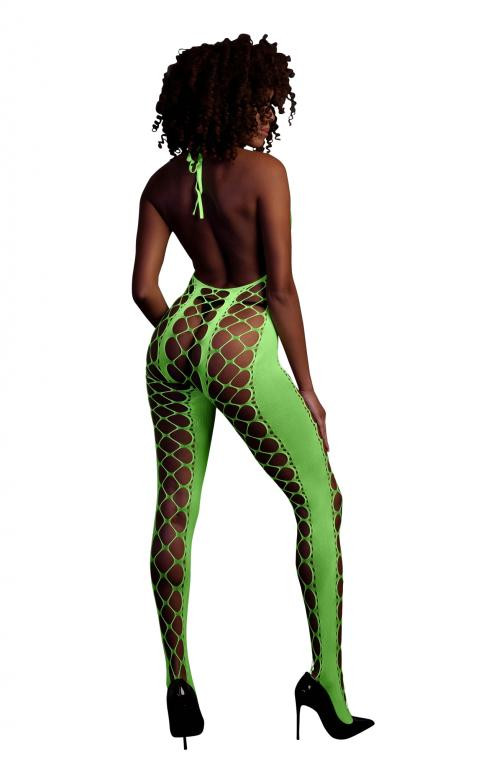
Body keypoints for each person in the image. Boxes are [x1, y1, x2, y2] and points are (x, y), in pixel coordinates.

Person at [132, 33, 374, 748]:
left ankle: (179, 683)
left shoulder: (162, 184)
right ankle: (326, 685)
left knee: (175, 511)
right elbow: (282, 289)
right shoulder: (266, 173)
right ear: (232, 102)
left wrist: (186, 338)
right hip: (241, 340)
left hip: (174, 341)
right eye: (263, 103)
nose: (271, 117)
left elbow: (143, 289)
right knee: (320, 499)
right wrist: (308, 389)